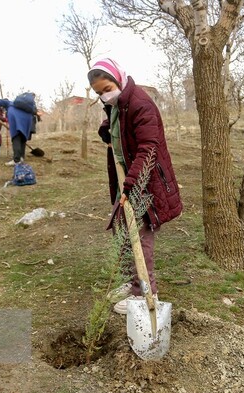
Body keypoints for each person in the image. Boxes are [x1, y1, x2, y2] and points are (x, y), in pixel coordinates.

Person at [88, 58, 182, 315]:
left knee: (140, 237)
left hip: (145, 182)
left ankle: (144, 293)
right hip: (129, 179)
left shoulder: (141, 104)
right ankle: (134, 283)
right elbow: (118, 123)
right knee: (126, 234)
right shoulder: (119, 104)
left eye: (107, 89)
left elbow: (148, 148)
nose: (105, 97)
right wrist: (107, 128)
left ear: (119, 79)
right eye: (99, 94)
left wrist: (132, 185)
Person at [0, 93, 42, 166]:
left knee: (16, 137)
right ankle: (21, 158)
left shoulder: (10, 103)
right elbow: (35, 113)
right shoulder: (27, 107)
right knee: (23, 137)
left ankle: (16, 160)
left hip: (15, 116)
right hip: (28, 118)